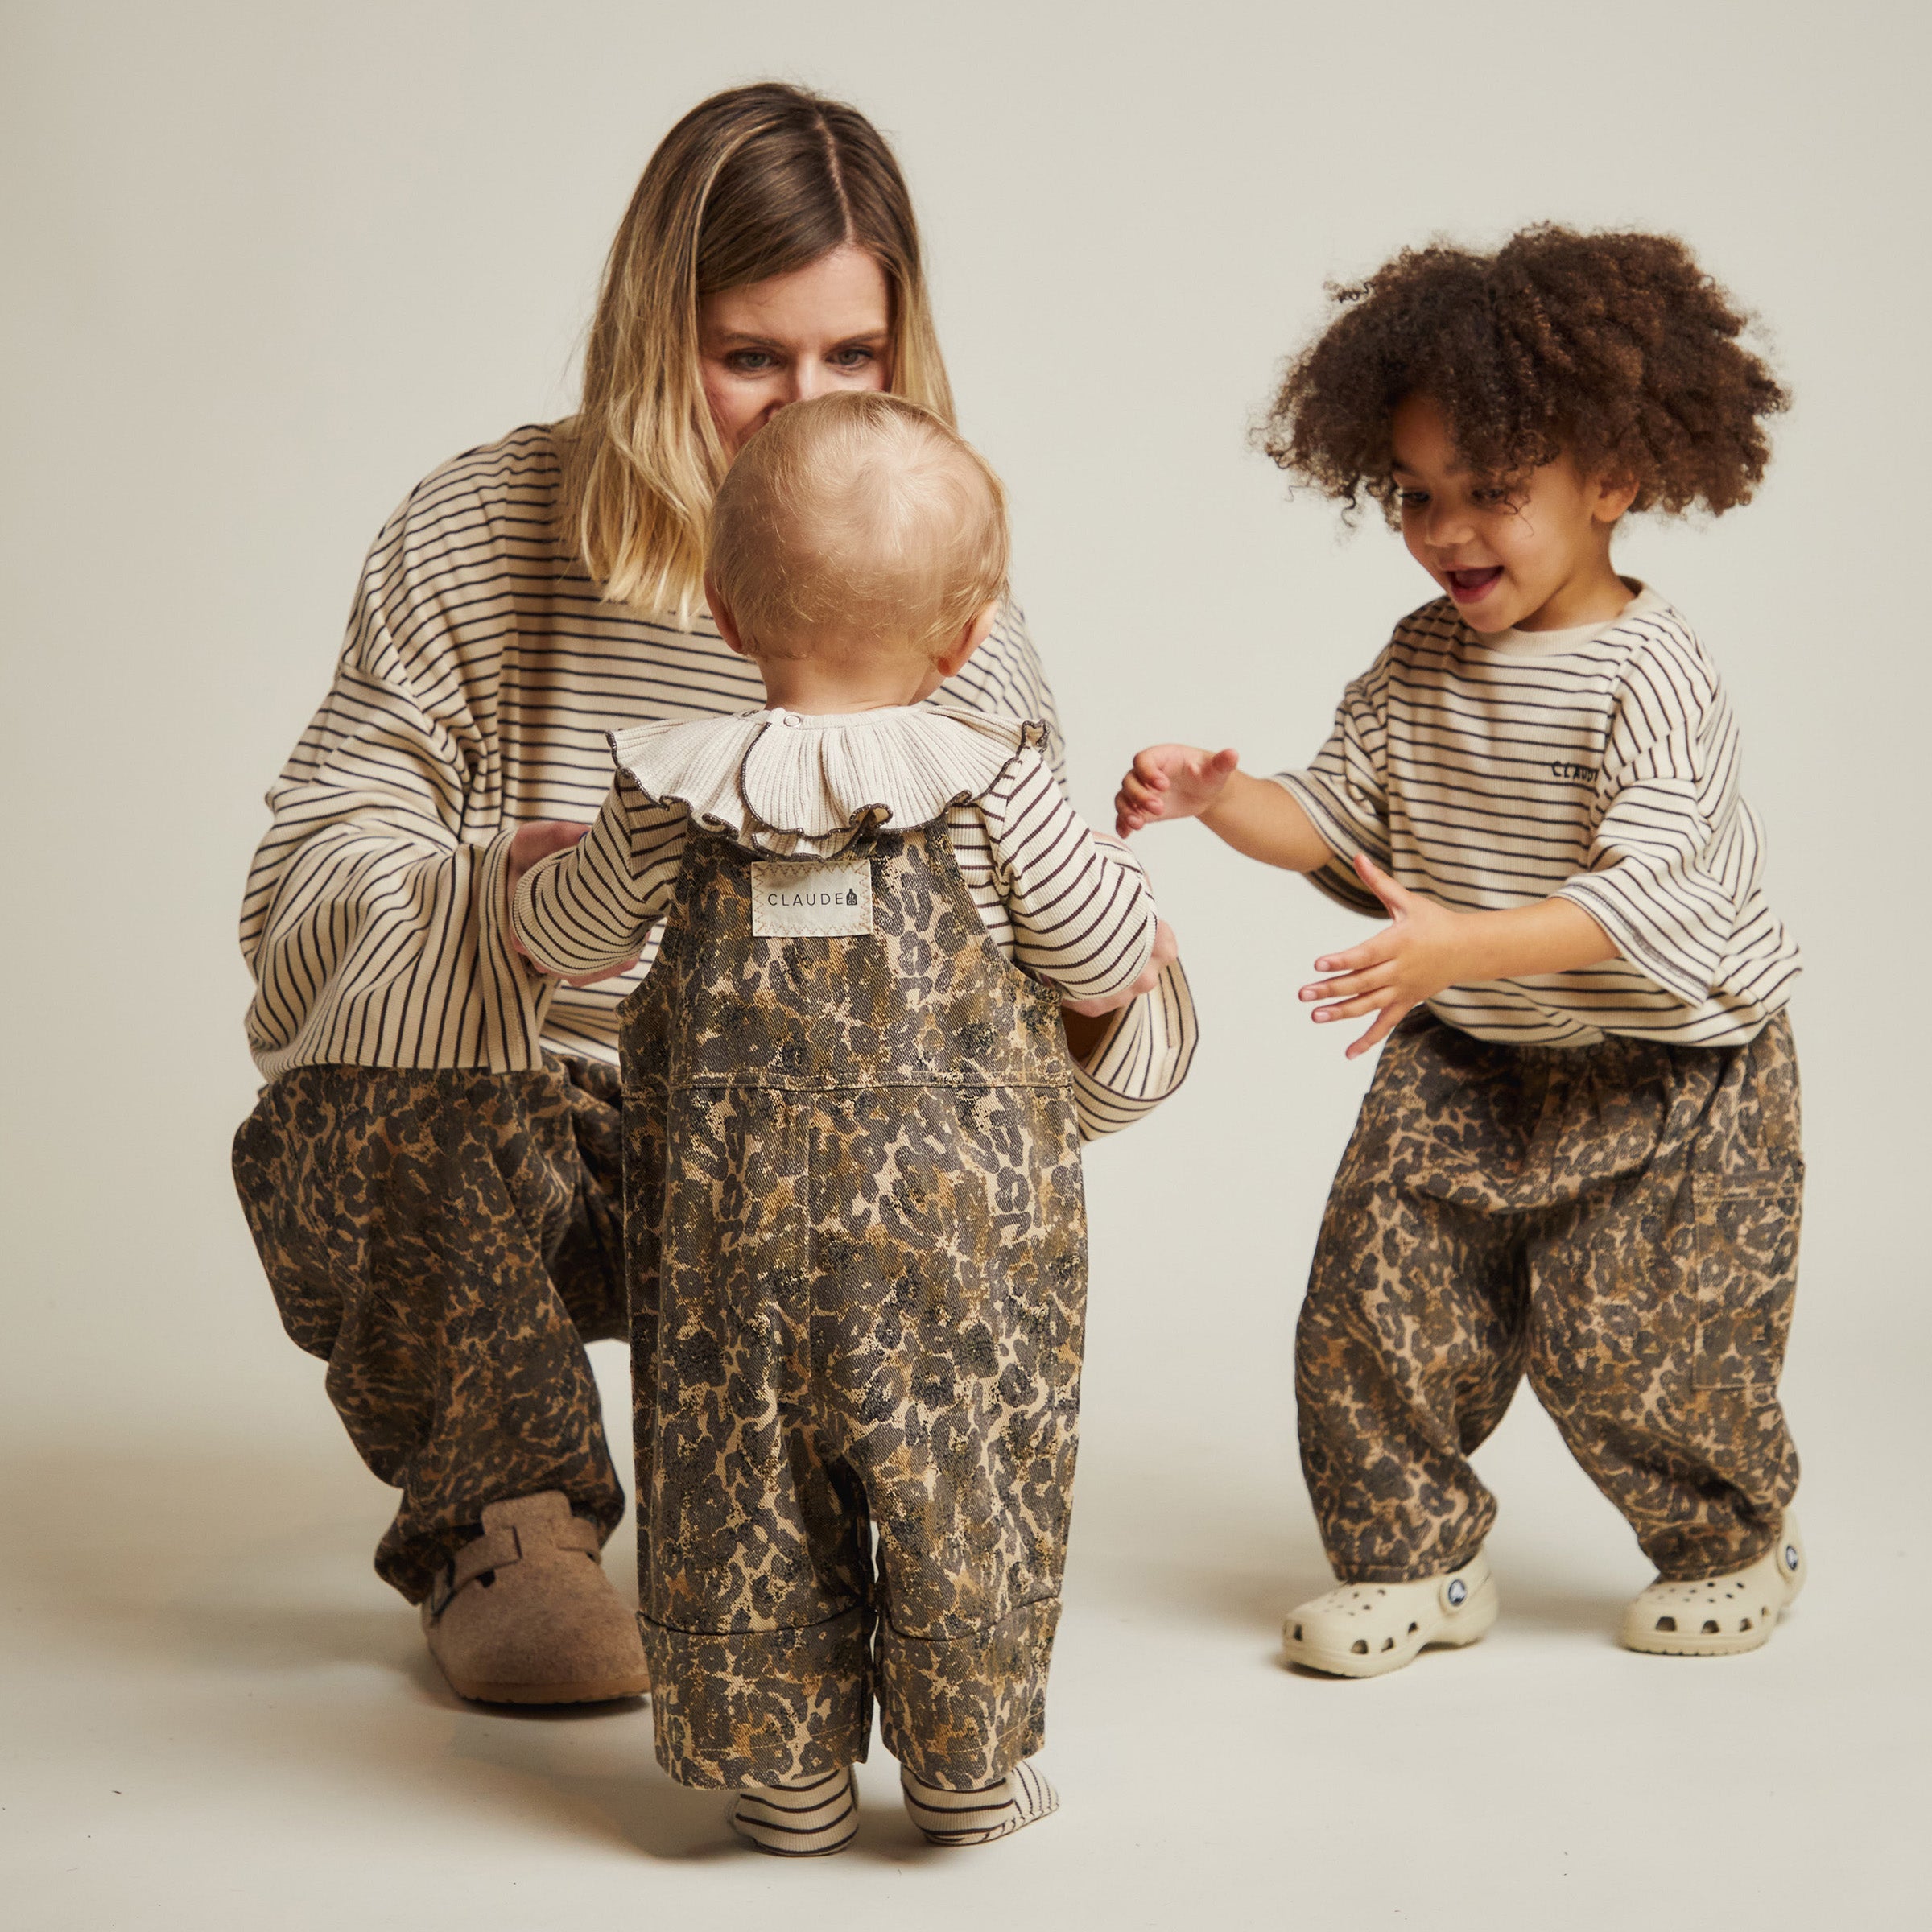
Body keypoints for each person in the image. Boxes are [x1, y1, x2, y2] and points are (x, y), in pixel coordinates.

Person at [231, 82, 1195, 1707]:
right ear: (651, 336)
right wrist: (495, 901)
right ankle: (509, 1520)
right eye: (750, 356)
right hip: (550, 1132)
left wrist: (1114, 1007)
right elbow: (299, 895)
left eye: (852, 359)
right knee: (341, 1118)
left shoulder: (940, 586)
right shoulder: (476, 533)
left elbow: (1043, 1014)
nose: (800, 407)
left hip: (824, 1156)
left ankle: (912, 1564)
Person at [1117, 225, 1805, 1674]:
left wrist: (1458, 948)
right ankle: (1414, 1563)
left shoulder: (1649, 671)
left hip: (1666, 1068)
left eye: (1494, 495)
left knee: (1635, 1341)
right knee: (1371, 1302)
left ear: (1613, 481)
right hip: (1475, 1046)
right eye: (1417, 497)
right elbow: (1340, 814)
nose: (1447, 535)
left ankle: (1735, 1536)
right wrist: (1223, 797)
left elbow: (1659, 888)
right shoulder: (1422, 658)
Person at [510, 389, 1155, 1851]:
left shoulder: (677, 785)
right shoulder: (997, 785)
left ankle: (784, 1774)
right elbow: (1105, 956)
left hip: (733, 1240)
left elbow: (572, 937)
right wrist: (1145, 936)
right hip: (958, 1252)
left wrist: (534, 873)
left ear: (728, 618)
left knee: (744, 1483)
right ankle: (966, 1770)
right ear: (972, 632)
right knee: (962, 1474)